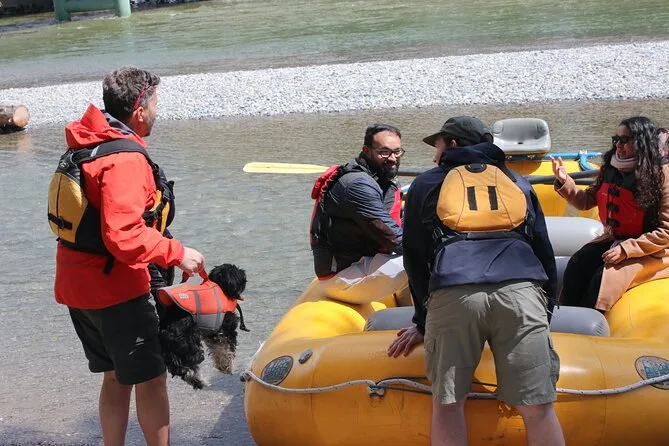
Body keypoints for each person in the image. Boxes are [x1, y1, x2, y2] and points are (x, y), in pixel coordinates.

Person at [50, 66, 205, 446]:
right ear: (139, 109)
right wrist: (177, 253)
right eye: (155, 103)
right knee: (151, 379)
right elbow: (123, 236)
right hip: (116, 291)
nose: (157, 111)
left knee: (115, 376)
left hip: (77, 287)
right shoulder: (124, 159)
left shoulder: (88, 142)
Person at [387, 116, 563, 446]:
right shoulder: (516, 181)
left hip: (454, 293)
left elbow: (415, 258)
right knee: (538, 409)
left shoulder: (426, 184)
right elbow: (543, 249)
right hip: (520, 292)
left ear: (453, 144)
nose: (434, 154)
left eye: (438, 145)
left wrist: (423, 321)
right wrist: (544, 310)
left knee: (448, 406)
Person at [552, 116, 669, 311]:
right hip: (615, 239)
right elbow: (585, 201)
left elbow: (666, 232)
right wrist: (565, 182)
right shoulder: (610, 168)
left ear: (641, 142)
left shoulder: (662, 176)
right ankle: (567, 318)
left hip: (651, 250)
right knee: (577, 265)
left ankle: (593, 321)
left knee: (602, 280)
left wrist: (626, 249)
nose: (618, 145)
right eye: (616, 139)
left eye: (624, 140)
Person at [309, 124, 408, 304]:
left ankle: (416, 312)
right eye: (384, 152)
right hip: (341, 278)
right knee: (428, 258)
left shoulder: (382, 176)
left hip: (361, 265)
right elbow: (394, 238)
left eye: (397, 152)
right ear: (366, 150)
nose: (393, 158)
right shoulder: (357, 184)